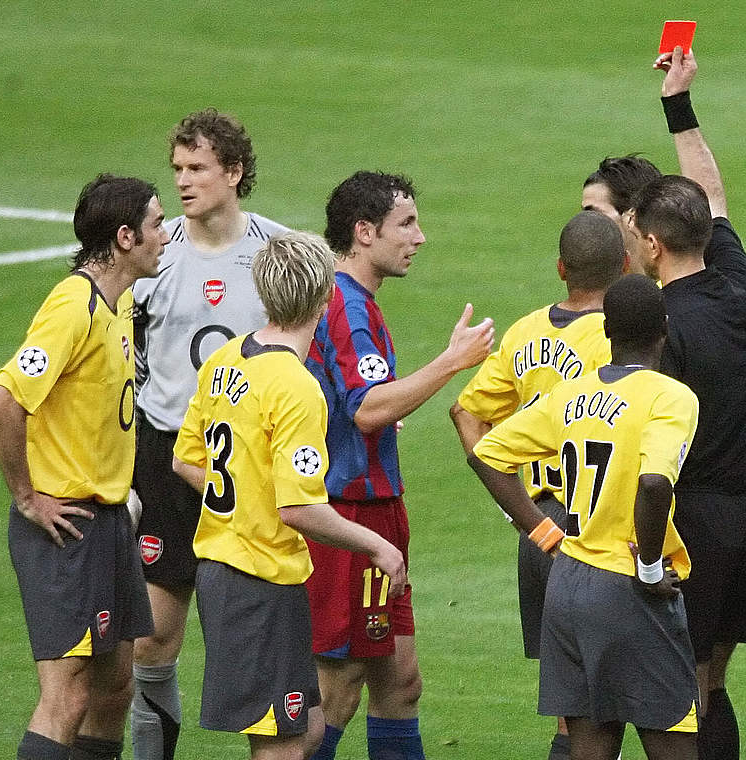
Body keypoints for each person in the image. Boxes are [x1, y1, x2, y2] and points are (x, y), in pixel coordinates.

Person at [172, 231, 407, 760]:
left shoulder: (227, 359)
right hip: (258, 580)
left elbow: (186, 459)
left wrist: (242, 502)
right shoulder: (296, 385)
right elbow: (298, 507)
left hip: (229, 569)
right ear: (326, 296)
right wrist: (377, 546)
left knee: (311, 728)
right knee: (280, 746)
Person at [467, 273, 701, 760]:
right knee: (674, 742)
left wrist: (542, 531)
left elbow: (486, 455)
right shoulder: (670, 396)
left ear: (607, 332)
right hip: (630, 587)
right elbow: (655, 482)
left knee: (590, 748)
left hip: (568, 583)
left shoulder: (570, 395)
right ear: (664, 327)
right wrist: (651, 567)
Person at [613, 47, 746, 760]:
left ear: (650, 244)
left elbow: (649, 450)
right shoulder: (743, 288)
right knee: (713, 682)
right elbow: (713, 197)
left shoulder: (660, 326)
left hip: (693, 519)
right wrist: (679, 107)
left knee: (682, 686)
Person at [305, 171, 494, 760]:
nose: (420, 237)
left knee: (399, 683)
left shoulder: (356, 303)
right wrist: (451, 362)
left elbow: (354, 401)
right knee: (336, 695)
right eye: (405, 224)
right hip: (350, 518)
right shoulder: (345, 306)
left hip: (380, 509)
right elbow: (365, 409)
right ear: (364, 232)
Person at [0, 174, 165, 760]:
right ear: (124, 237)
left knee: (115, 687)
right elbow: (4, 400)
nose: (165, 235)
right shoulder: (73, 307)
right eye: (156, 224)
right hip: (66, 528)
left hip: (110, 521)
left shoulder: (120, 303)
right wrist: (27, 497)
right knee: (66, 696)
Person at [128, 108, 288, 760]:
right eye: (178, 169)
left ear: (234, 171)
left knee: (250, 635)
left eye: (197, 169)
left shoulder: (279, 253)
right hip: (167, 460)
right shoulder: (153, 251)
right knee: (152, 639)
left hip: (251, 466)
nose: (185, 182)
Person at [450, 210, 625, 760]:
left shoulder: (526, 332)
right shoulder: (618, 337)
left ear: (560, 269)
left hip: (539, 525)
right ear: (624, 267)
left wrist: (515, 507)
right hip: (599, 533)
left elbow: (465, 413)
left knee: (568, 703)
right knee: (608, 705)